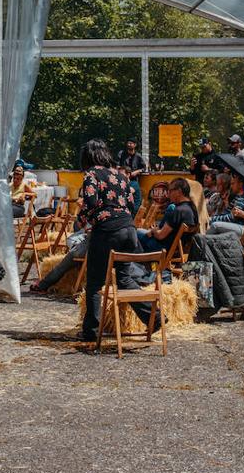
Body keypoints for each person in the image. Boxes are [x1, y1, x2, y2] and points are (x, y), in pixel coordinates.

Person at [72, 139, 164, 342]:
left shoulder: (91, 175)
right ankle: (154, 317)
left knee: (95, 282)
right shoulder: (120, 176)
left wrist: (81, 219)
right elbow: (131, 205)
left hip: (106, 232)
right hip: (128, 231)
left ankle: (91, 332)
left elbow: (91, 202)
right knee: (123, 279)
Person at [136, 178, 197, 255]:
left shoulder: (178, 211)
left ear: (179, 192)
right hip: (177, 250)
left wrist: (153, 231)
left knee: (135, 233)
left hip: (163, 249)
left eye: (170, 191)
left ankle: (139, 263)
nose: (167, 194)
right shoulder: (192, 209)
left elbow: (160, 236)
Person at [118, 139, 147, 214]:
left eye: (131, 143)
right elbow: (118, 165)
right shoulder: (122, 154)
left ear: (135, 145)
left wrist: (137, 171)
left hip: (133, 180)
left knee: (132, 196)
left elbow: (144, 168)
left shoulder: (138, 156)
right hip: (123, 179)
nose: (129, 144)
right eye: (128, 143)